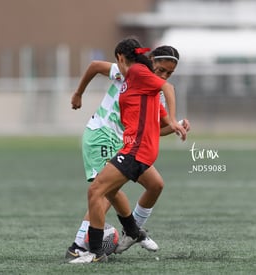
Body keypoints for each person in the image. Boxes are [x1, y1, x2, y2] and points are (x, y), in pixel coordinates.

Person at [65, 44, 189, 261]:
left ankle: (131, 232)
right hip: (102, 135)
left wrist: (176, 125)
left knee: (155, 184)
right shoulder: (127, 70)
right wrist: (78, 93)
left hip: (128, 144)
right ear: (150, 61)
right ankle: (80, 245)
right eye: (161, 70)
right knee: (104, 192)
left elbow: (156, 130)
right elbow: (94, 66)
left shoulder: (155, 90)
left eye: (169, 73)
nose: (164, 76)